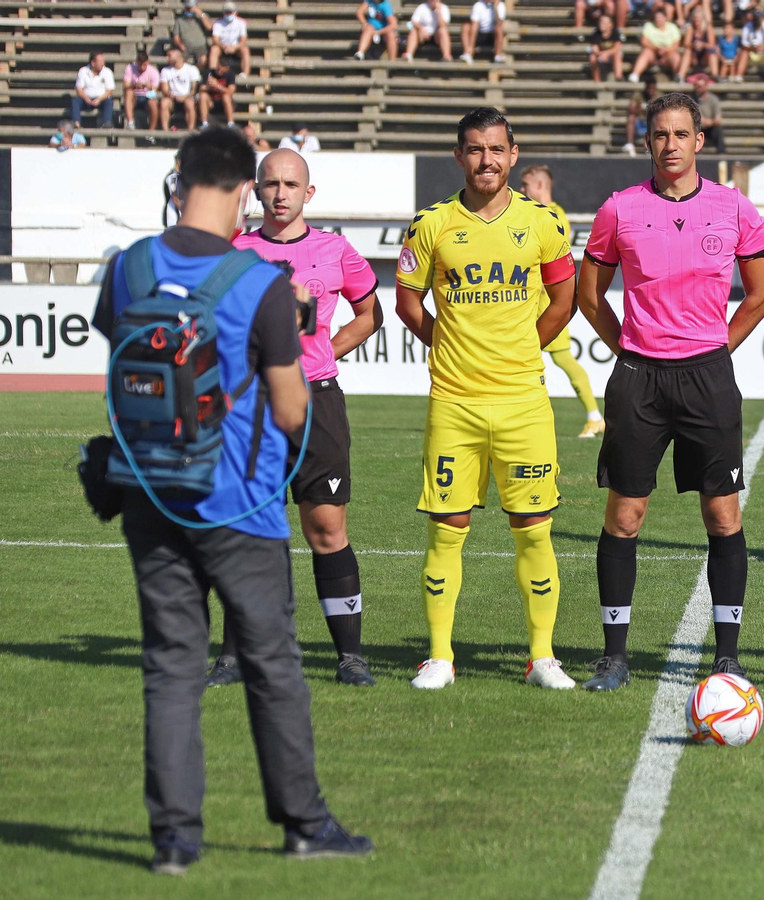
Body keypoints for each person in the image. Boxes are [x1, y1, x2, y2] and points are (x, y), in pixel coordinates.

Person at [92, 126, 372, 876]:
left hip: (149, 496)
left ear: (177, 180)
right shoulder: (260, 284)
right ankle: (303, 822)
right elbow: (290, 408)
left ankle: (174, 839)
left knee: (170, 667)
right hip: (238, 505)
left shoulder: (128, 267)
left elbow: (118, 355)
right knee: (274, 664)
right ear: (247, 189)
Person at [574, 91, 764, 692]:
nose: (670, 145)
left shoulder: (735, 209)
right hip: (638, 380)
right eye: (660, 135)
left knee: (722, 515)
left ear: (699, 142)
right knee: (626, 515)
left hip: (708, 377)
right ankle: (614, 654)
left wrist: (716, 350)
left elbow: (759, 295)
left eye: (681, 134)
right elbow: (589, 295)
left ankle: (728, 656)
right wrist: (630, 351)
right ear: (648, 142)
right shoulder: (619, 210)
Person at [394, 108, 578, 691]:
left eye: (496, 149)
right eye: (475, 150)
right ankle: (440, 657)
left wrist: (524, 347)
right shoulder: (431, 225)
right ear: (459, 156)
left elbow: (563, 300)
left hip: (524, 401)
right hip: (454, 402)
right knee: (447, 528)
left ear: (513, 155)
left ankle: (542, 657)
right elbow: (407, 303)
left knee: (534, 527)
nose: (486, 160)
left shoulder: (543, 223)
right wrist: (447, 345)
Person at [204, 148, 385, 688]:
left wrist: (324, 351)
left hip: (316, 402)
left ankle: (349, 656)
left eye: (291, 184)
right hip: (251, 405)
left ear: (309, 193)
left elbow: (369, 312)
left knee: (327, 527)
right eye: (270, 184)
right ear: (255, 192)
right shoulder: (231, 252)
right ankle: (235, 655)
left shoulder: (336, 249)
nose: (280, 193)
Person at [518, 163, 605, 438]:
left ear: (540, 186)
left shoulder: (553, 215)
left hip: (546, 303)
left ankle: (594, 417)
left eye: (526, 185)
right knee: (533, 361)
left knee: (563, 360)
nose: (521, 190)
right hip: (532, 301)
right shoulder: (534, 213)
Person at [630, 7, 683, 81]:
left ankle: (677, 77)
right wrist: (657, 48)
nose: (658, 19)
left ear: (665, 18)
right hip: (653, 54)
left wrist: (665, 50)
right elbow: (644, 42)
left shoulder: (672, 27)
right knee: (646, 52)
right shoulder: (648, 26)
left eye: (660, 17)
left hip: (667, 55)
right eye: (656, 18)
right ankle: (635, 74)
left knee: (675, 56)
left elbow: (676, 45)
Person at [159, 47, 202, 131]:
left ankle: (190, 130)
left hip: (187, 97)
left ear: (178, 56)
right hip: (173, 99)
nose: (167, 58)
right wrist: (172, 95)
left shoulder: (191, 69)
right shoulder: (165, 70)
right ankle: (165, 131)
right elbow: (165, 89)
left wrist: (185, 97)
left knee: (189, 103)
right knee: (164, 102)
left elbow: (194, 90)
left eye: (169, 55)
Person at [71, 51, 116, 129]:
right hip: (86, 99)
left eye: (103, 61)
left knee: (109, 101)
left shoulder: (107, 72)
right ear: (93, 63)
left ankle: (106, 123)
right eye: (100, 61)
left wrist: (99, 99)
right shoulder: (83, 71)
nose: (103, 63)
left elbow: (110, 90)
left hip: (101, 99)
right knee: (75, 101)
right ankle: (76, 123)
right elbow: (79, 89)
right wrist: (85, 97)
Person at [209, 2, 251, 79]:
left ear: (235, 12)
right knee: (214, 49)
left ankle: (245, 74)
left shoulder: (241, 23)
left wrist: (235, 47)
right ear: (223, 12)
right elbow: (215, 39)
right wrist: (223, 46)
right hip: (222, 47)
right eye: (227, 12)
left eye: (230, 12)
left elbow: (243, 40)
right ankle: (213, 73)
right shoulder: (217, 23)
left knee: (245, 49)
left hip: (236, 47)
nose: (228, 14)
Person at [623, 72, 661, 154]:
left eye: (652, 89)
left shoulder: (659, 97)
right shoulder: (638, 95)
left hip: (651, 123)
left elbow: (660, 111)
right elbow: (631, 109)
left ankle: (649, 144)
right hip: (640, 121)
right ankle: (630, 145)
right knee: (631, 117)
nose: (651, 91)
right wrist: (644, 110)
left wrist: (643, 109)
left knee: (656, 118)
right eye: (649, 89)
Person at [689, 71, 727, 151]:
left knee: (718, 131)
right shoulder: (690, 100)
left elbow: (718, 119)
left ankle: (722, 157)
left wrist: (710, 122)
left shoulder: (713, 99)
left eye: (699, 86)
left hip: (710, 128)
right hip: (697, 128)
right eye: (696, 86)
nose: (697, 88)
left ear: (706, 86)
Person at [124, 49, 161, 131]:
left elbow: (155, 90)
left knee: (153, 103)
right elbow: (126, 85)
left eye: (144, 65)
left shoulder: (153, 71)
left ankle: (151, 131)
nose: (142, 67)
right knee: (128, 92)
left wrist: (149, 86)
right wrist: (134, 86)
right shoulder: (130, 68)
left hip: (147, 96)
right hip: (135, 97)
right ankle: (130, 123)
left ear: (148, 62)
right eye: (140, 65)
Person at [172, 0, 214, 69]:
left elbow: (209, 27)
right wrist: (180, 44)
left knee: (203, 59)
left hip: (200, 47)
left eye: (191, 7)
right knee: (177, 59)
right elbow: (176, 37)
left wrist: (200, 13)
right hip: (186, 47)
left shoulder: (202, 18)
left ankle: (195, 73)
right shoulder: (179, 20)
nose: (189, 10)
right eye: (188, 8)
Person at [199, 61, 238, 126]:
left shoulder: (230, 74)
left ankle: (230, 123)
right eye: (218, 69)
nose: (219, 72)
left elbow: (231, 91)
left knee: (226, 96)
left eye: (222, 71)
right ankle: (204, 123)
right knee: (203, 95)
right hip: (211, 101)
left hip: (224, 101)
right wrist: (209, 86)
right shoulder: (208, 72)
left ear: (227, 68)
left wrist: (217, 86)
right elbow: (201, 88)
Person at [589, 14, 625, 82]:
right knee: (592, 58)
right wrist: (601, 54)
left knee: (617, 55)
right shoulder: (596, 34)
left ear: (610, 25)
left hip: (612, 54)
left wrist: (607, 53)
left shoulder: (615, 32)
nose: (602, 24)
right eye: (601, 22)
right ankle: (597, 81)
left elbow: (617, 47)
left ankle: (619, 77)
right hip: (601, 55)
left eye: (605, 22)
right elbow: (595, 49)